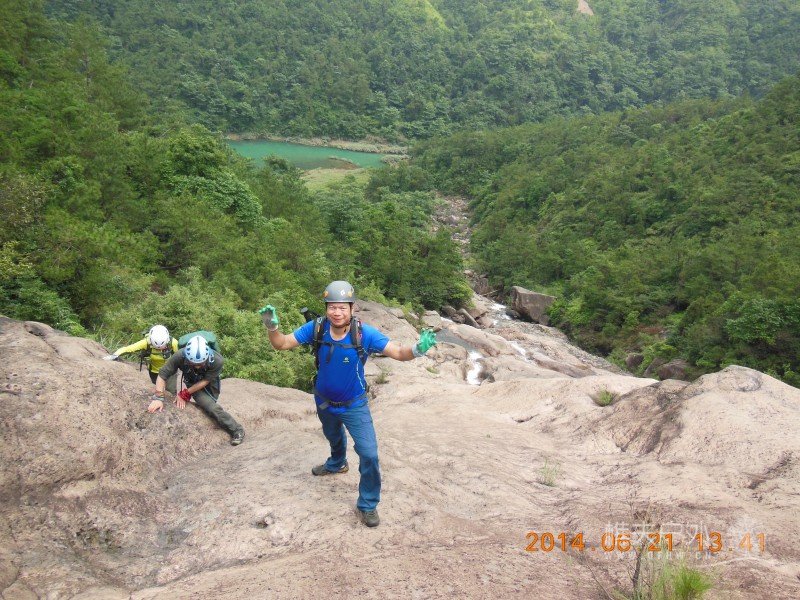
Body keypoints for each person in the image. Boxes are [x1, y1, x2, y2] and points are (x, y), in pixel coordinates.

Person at [259, 281, 437, 527]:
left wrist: (417, 350)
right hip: (323, 400)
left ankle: (368, 504)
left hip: (354, 404)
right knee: (332, 435)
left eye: (342, 307)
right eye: (332, 307)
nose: (337, 312)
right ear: (326, 308)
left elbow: (397, 352)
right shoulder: (317, 328)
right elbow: (282, 343)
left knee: (369, 453)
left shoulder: (364, 334)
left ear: (352, 309)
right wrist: (272, 328)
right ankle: (337, 463)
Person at [148, 335, 245, 446]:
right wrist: (158, 398)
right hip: (192, 380)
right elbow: (162, 375)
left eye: (200, 363)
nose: (197, 366)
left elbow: (206, 380)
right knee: (211, 407)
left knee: (212, 403)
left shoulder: (217, 360)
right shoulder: (179, 356)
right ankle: (237, 430)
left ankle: (234, 428)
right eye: (194, 363)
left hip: (209, 380)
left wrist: (185, 393)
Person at [103, 325, 178, 384]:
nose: (159, 349)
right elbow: (129, 348)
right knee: (156, 390)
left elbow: (181, 355)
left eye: (162, 346)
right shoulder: (146, 342)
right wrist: (115, 355)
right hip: (154, 371)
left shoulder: (173, 343)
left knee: (170, 392)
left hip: (170, 371)